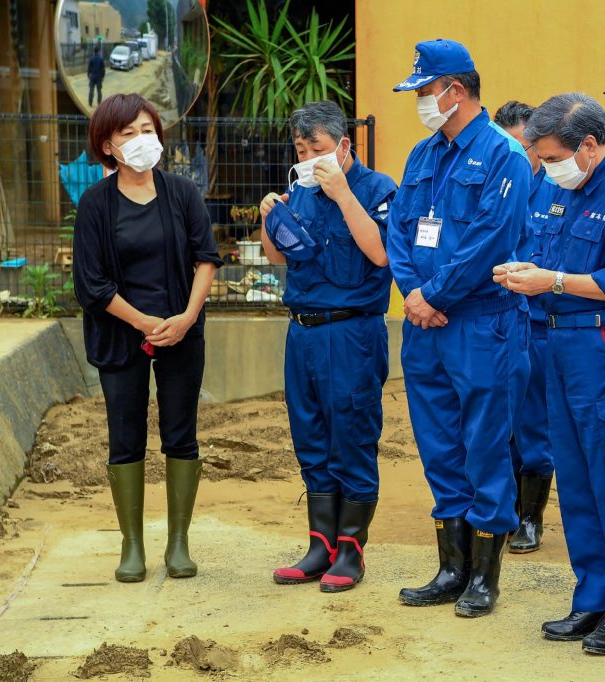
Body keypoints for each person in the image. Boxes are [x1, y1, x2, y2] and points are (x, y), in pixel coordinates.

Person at [495, 92, 605, 655]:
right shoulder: (551, 185)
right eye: (539, 156)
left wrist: (555, 282)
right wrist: (525, 273)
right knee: (576, 478)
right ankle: (591, 596)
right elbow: (538, 252)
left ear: (589, 146)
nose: (545, 166)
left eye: (553, 155)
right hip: (556, 344)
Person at [388, 39, 531, 618]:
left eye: (426, 91)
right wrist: (412, 296)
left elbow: (492, 239)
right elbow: (399, 228)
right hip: (425, 323)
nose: (421, 101)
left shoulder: (504, 156)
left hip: (480, 321)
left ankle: (485, 576)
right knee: (438, 442)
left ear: (457, 90)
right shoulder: (424, 154)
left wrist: (435, 294)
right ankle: (452, 567)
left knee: (485, 444)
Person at [72, 93, 222, 582]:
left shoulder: (182, 192)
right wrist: (143, 323)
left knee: (182, 432)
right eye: (129, 133)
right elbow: (91, 283)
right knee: (125, 436)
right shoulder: (95, 203)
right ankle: (131, 544)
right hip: (122, 335)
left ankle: (178, 542)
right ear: (108, 145)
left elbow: (206, 258)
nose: (142, 140)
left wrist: (185, 317)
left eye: (147, 129)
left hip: (182, 331)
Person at [260, 101, 396, 592]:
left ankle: (351, 549)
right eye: (301, 150)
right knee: (310, 435)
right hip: (303, 330)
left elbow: (381, 253)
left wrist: (342, 195)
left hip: (352, 331)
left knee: (351, 433)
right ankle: (320, 544)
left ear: (343, 145)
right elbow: (280, 257)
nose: (308, 158)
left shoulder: (376, 189)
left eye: (316, 148)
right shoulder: (302, 191)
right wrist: (268, 218)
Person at [493, 100, 557, 554]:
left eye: (523, 146)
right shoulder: (496, 184)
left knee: (533, 424)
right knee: (499, 420)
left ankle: (530, 517)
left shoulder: (556, 188)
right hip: (498, 320)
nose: (517, 154)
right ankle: (502, 507)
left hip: (540, 322)